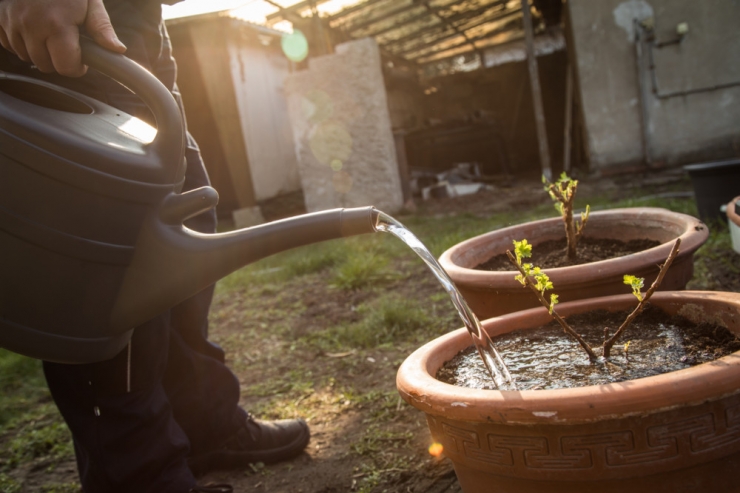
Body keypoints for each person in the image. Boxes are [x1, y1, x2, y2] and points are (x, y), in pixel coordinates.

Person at [0, 1, 310, 492]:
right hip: (62, 50)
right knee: (112, 288)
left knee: (185, 260)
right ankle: (143, 476)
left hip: (142, 51)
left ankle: (204, 424)